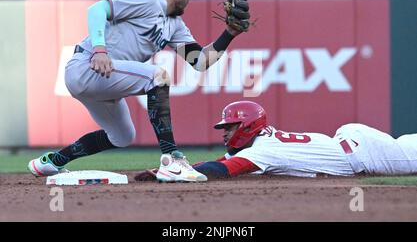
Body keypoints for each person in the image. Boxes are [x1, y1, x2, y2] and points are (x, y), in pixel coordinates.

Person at [28, 0, 251, 183]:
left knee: (123, 136)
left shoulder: (174, 24)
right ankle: (172, 159)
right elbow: (96, 10)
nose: (189, 0)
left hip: (106, 78)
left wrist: (229, 34)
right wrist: (99, 49)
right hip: (87, 66)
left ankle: (53, 161)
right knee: (158, 76)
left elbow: (199, 61)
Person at [135, 100, 417, 181]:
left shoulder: (264, 149)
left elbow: (223, 170)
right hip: (350, 141)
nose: (224, 133)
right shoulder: (259, 143)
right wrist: (171, 168)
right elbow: (222, 161)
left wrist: (179, 173)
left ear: (246, 126)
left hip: (362, 153)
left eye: (230, 127)